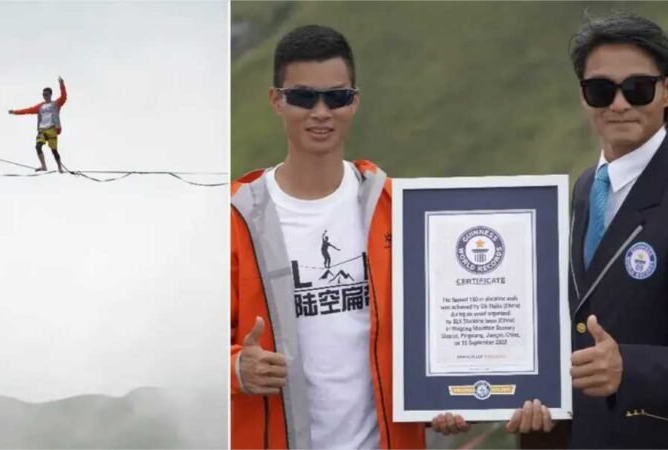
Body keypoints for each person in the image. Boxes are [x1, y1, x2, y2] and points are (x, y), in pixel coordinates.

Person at [230, 24, 553, 449]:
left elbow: (447, 324)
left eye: (337, 97)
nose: (321, 111)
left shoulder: (399, 208)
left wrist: (449, 395)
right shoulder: (235, 217)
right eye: (304, 97)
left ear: (355, 101)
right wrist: (236, 368)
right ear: (277, 100)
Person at [562, 12, 668, 448]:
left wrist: (632, 368)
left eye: (638, 89)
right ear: (584, 97)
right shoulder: (587, 188)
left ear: (666, 91)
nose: (619, 104)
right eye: (601, 90)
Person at [8, 76, 68, 173]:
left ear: (50, 95)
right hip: (42, 130)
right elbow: (28, 110)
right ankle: (44, 166)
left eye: (46, 94)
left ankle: (60, 168)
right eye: (43, 94)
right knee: (38, 146)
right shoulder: (40, 106)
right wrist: (15, 112)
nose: (44, 96)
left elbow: (64, 97)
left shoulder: (56, 104)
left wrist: (62, 85)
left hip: (52, 129)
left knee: (54, 150)